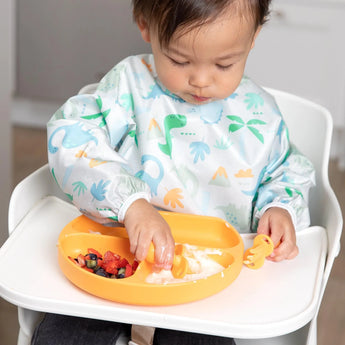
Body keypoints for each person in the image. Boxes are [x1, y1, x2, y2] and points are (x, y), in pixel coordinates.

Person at [33, 0, 315, 344]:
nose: (200, 80)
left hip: (206, 270)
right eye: (179, 61)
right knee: (66, 334)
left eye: (224, 64)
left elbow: (287, 170)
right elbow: (72, 136)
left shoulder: (259, 117)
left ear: (253, 37)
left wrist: (280, 208)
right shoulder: (128, 86)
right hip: (121, 244)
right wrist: (130, 203)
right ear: (145, 26)